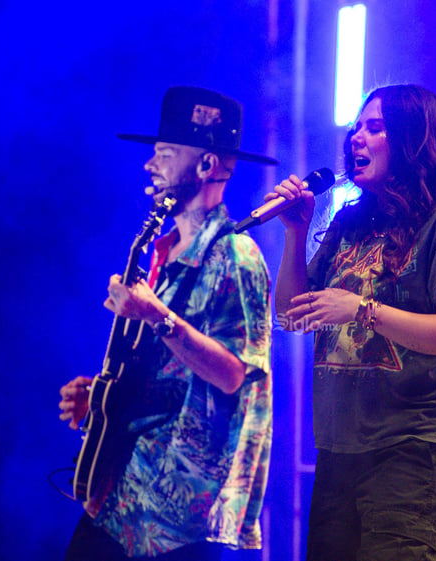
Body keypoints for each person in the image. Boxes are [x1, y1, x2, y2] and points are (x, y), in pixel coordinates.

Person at [269, 84, 436, 561]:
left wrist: (362, 311)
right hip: (340, 447)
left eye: (375, 127)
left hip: (413, 446)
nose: (357, 139)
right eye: (356, 128)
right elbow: (289, 314)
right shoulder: (350, 223)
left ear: (413, 139)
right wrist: (296, 230)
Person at [58, 86, 276, 561]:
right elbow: (171, 373)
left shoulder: (237, 256)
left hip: (181, 516)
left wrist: (156, 314)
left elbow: (233, 373)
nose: (149, 165)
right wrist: (102, 397)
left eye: (164, 154)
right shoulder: (163, 250)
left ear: (206, 165)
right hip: (127, 487)